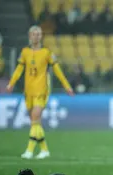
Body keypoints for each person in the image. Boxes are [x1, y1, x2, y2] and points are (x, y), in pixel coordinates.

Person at [6, 25, 74, 159]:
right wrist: (11, 83)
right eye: (34, 34)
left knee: (35, 118)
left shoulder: (47, 53)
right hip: (28, 91)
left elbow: (57, 70)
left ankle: (29, 150)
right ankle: (44, 149)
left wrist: (67, 86)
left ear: (41, 36)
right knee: (35, 122)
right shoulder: (25, 52)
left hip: (42, 90)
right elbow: (19, 70)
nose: (36, 36)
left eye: (39, 34)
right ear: (29, 36)